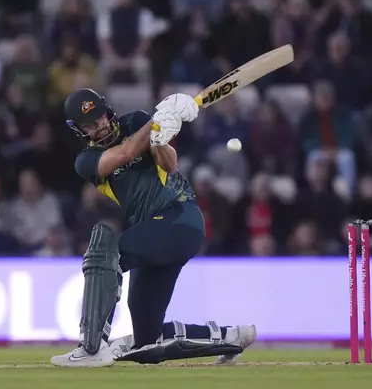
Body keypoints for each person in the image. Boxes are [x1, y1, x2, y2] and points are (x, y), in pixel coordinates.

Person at [50, 88, 256, 367]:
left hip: (180, 219)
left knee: (106, 252)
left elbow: (169, 164)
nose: (99, 126)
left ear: (108, 111)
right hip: (154, 233)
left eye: (100, 117)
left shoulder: (135, 121)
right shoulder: (85, 162)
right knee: (147, 340)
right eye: (90, 124)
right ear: (79, 130)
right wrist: (158, 121)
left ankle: (92, 346)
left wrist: (159, 139)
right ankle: (232, 336)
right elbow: (124, 153)